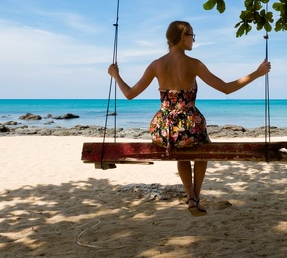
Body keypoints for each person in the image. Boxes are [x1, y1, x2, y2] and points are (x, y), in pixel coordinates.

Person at [108, 20, 271, 216]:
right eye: (192, 35)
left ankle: (190, 195)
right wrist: (257, 73)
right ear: (182, 37)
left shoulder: (156, 65)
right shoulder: (194, 64)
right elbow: (227, 88)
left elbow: (129, 94)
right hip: (189, 127)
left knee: (179, 148)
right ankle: (195, 197)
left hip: (163, 129)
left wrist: (115, 75)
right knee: (202, 147)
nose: (194, 40)